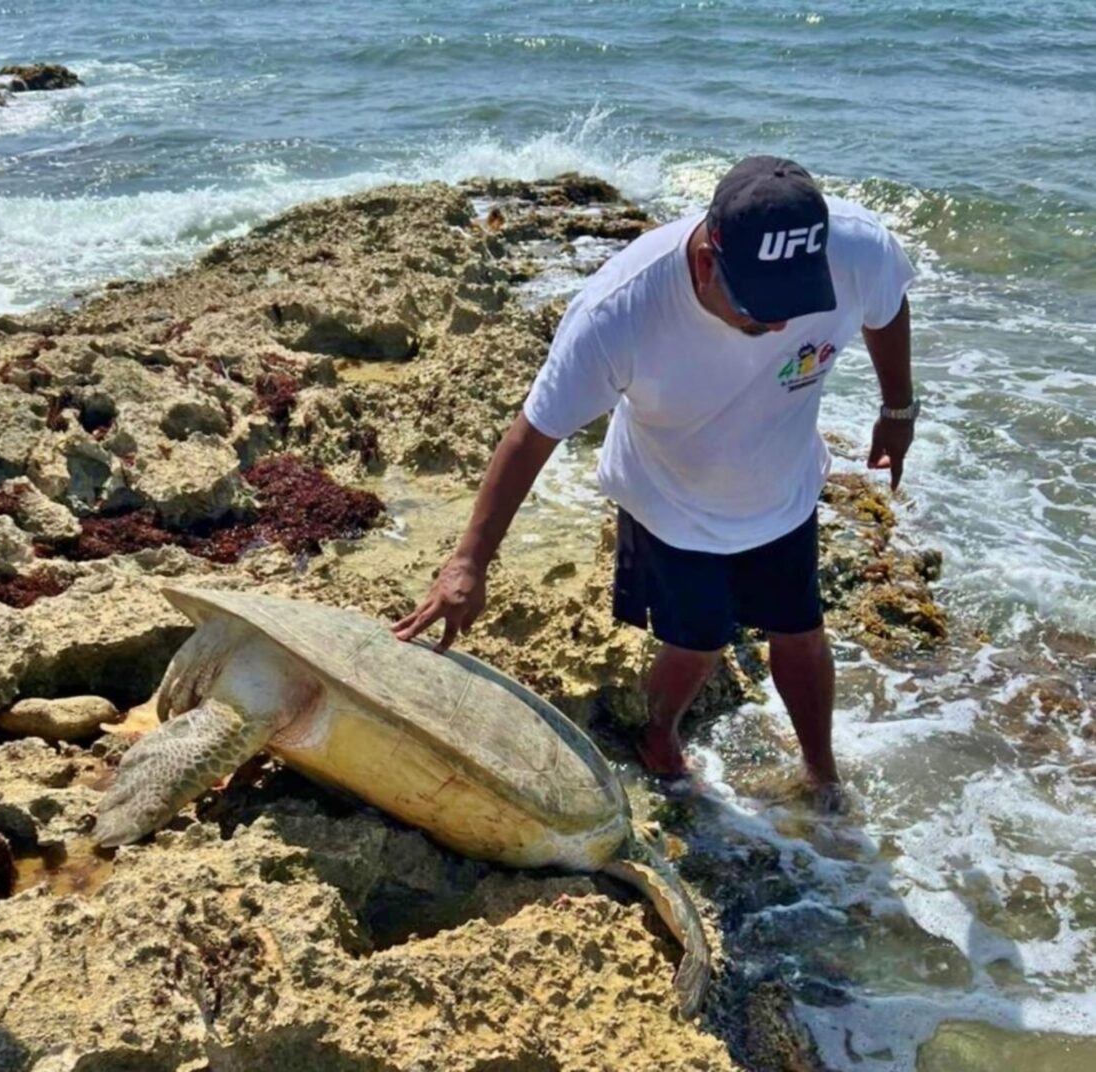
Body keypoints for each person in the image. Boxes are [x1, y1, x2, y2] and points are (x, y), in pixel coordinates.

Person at [392, 155, 917, 797]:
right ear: (707, 263)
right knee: (698, 644)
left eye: (795, 303)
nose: (780, 325)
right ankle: (660, 732)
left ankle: (822, 773)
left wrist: (898, 410)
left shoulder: (856, 249)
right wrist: (468, 564)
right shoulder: (620, 311)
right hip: (670, 506)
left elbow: (886, 307)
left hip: (783, 490)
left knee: (802, 634)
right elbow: (532, 434)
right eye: (760, 309)